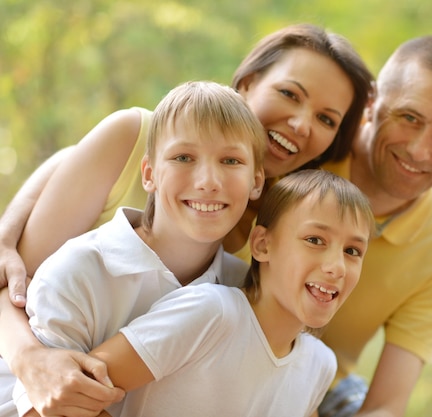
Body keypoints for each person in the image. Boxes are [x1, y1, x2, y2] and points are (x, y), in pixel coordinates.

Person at [0, 23, 373, 417]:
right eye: (289, 94)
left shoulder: (271, 246)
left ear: (255, 183)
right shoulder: (142, 135)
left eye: (327, 119)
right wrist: (30, 360)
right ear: (247, 84)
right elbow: (16, 285)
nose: (301, 124)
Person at [0, 79, 267, 416]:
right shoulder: (79, 269)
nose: (207, 182)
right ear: (149, 173)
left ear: (256, 181)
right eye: (184, 157)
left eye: (230, 161)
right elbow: (55, 406)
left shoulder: (244, 287)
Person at [84, 169, 373, 417]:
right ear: (262, 245)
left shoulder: (320, 364)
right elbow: (78, 389)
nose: (337, 267)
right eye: (315, 240)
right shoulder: (211, 313)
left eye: (352, 251)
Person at [316, 35, 432, 416]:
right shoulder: (313, 147)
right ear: (371, 103)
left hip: (323, 388)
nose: (419, 150)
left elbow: (387, 405)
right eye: (410, 118)